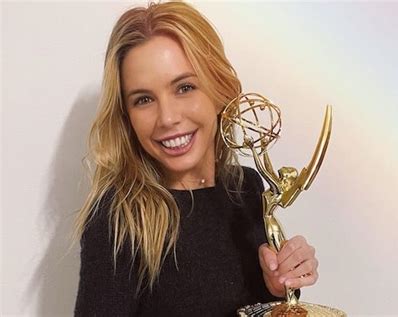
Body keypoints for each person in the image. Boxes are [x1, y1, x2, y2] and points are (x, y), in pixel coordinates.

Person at [73, 2, 318, 316]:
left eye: (184, 87)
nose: (167, 118)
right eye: (143, 99)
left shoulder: (247, 189)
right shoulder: (120, 217)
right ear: (127, 115)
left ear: (219, 88)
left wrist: (280, 289)